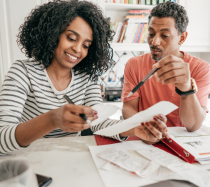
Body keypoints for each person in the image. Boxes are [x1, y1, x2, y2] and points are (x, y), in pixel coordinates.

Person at [0, 0, 168, 155]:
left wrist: (134, 128)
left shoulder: (86, 78)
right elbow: (2, 138)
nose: (78, 49)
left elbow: (99, 123)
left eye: (86, 45)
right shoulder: (23, 72)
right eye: (71, 38)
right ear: (52, 34)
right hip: (29, 161)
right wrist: (52, 119)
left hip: (71, 159)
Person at [121, 1, 210, 144]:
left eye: (164, 35)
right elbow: (128, 109)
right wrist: (145, 128)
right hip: (141, 142)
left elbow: (193, 125)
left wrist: (186, 87)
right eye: (151, 33)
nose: (154, 42)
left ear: (182, 37)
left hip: (178, 145)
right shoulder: (134, 64)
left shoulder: (200, 68)